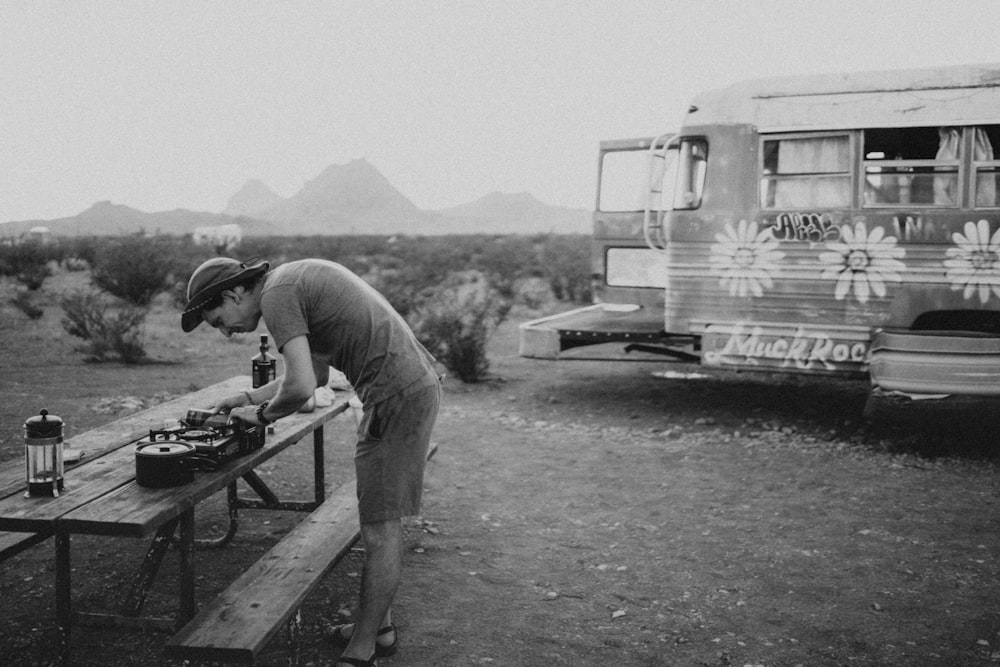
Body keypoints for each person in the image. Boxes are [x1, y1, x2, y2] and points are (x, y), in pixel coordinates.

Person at [181, 257, 441, 667]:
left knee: (379, 529)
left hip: (395, 395)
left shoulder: (277, 295)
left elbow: (300, 387)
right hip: (403, 389)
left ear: (233, 294)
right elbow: (316, 375)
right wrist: (249, 399)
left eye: (218, 320)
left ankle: (362, 649)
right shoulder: (289, 283)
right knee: (376, 514)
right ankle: (379, 629)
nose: (227, 332)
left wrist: (262, 416)